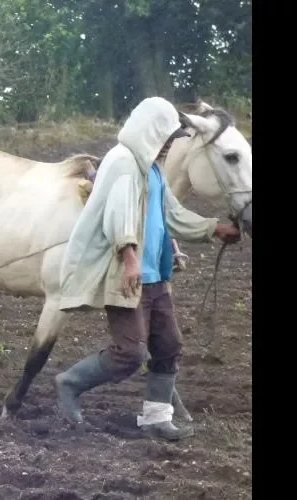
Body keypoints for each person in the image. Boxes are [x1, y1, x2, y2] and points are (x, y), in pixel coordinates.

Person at [54, 96, 241, 441]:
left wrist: (215, 228)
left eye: (172, 140)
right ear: (151, 133)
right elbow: (118, 216)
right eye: (167, 138)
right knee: (130, 353)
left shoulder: (151, 169)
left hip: (155, 275)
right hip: (129, 276)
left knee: (168, 345)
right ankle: (69, 383)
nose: (170, 146)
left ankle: (157, 417)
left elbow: (172, 213)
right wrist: (129, 259)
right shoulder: (124, 163)